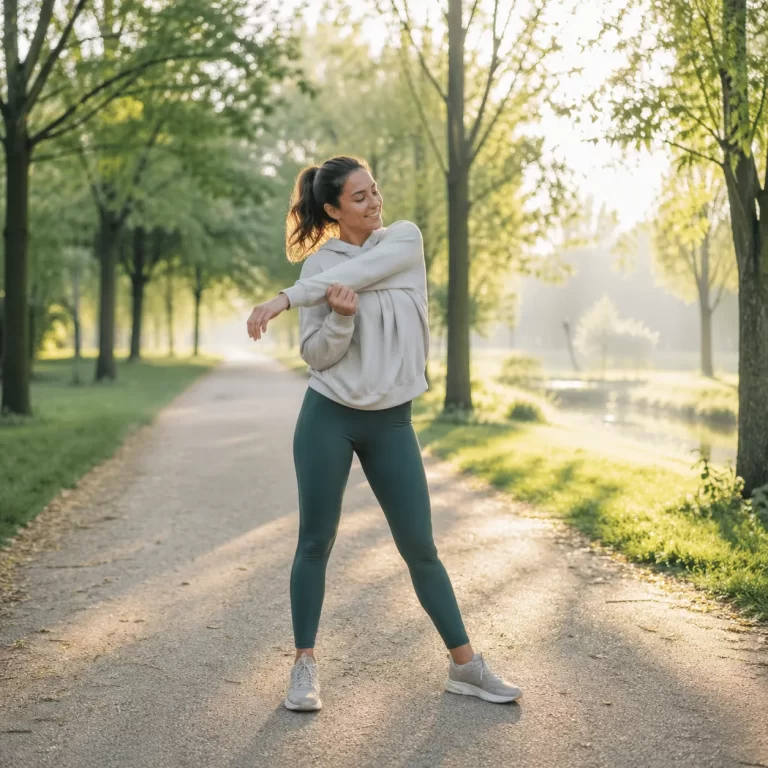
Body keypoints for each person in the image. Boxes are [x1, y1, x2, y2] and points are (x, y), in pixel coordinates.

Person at [247, 156, 522, 712]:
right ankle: (304, 666)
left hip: (392, 420)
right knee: (315, 542)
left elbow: (353, 277)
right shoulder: (319, 265)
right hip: (328, 415)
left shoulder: (404, 242)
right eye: (359, 198)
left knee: (420, 546)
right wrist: (340, 320)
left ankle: (465, 667)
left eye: (374, 191)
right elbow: (315, 356)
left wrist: (283, 298)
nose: (374, 203)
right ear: (332, 209)